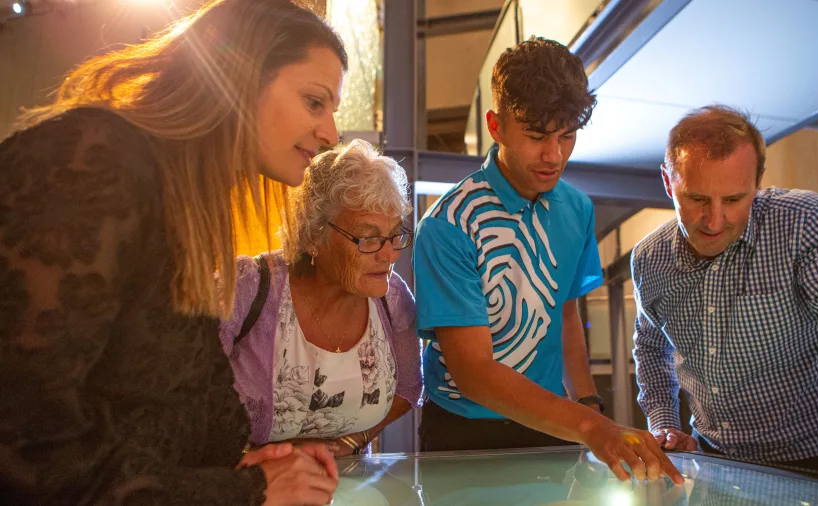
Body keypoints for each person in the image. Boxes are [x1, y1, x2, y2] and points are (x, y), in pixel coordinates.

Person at [0, 0, 350, 503]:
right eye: (314, 102)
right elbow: (26, 447)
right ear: (239, 78)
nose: (330, 134)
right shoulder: (93, 161)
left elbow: (179, 407)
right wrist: (247, 491)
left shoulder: (186, 206)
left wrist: (258, 464)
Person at [413, 36, 683, 484]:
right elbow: (474, 372)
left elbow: (566, 311)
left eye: (567, 135)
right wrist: (592, 426)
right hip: (463, 432)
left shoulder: (577, 209)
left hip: (556, 424)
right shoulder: (448, 224)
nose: (553, 155)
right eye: (536, 136)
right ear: (495, 126)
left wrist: (588, 403)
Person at [632, 104, 818, 478]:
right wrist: (665, 423)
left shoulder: (806, 224)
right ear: (667, 180)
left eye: (733, 200)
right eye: (696, 199)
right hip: (713, 461)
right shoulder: (648, 258)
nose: (714, 221)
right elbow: (650, 345)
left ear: (757, 182)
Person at [220, 140, 422, 456]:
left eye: (395, 235)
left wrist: (349, 443)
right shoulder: (247, 288)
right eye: (369, 238)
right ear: (313, 235)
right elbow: (179, 394)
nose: (389, 254)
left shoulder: (392, 298)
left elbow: (408, 389)